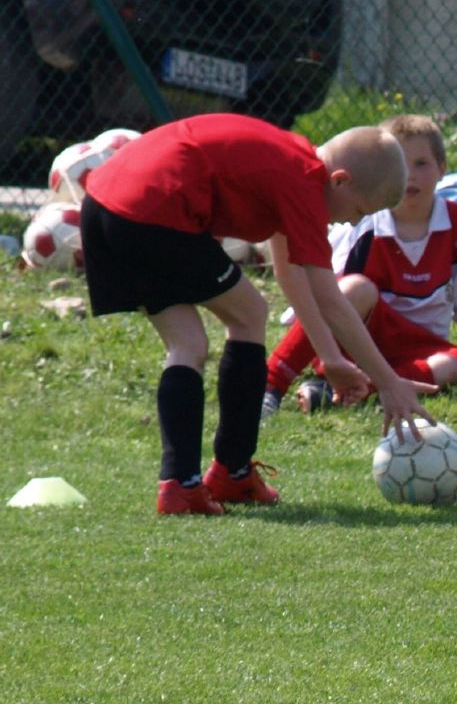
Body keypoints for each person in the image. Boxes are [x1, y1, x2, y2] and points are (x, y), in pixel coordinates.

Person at [79, 114, 436, 516]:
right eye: (357, 211)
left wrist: (332, 359)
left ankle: (180, 486)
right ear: (339, 180)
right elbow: (331, 299)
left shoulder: (290, 165)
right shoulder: (303, 181)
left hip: (105, 205)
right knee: (249, 313)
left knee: (189, 342)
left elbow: (289, 272)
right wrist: (388, 382)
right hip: (151, 211)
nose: (351, 222)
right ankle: (231, 474)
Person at [261, 114, 457, 416]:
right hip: (359, 341)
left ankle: (352, 390)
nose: (410, 175)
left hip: (420, 346)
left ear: (442, 169)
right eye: (400, 165)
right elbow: (327, 295)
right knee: (358, 288)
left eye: (421, 163)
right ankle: (269, 385)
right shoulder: (362, 220)